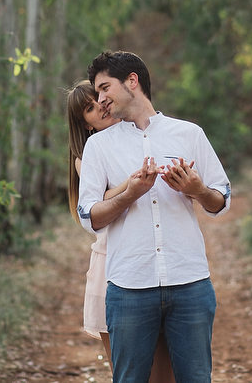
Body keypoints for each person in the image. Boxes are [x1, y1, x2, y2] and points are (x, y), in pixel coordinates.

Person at [77, 51, 232, 383]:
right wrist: (131, 193)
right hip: (129, 287)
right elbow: (89, 216)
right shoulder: (99, 147)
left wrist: (197, 189)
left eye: (105, 88)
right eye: (97, 92)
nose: (100, 98)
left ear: (132, 81)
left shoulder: (188, 134)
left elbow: (219, 199)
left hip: (190, 282)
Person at [67, 80, 174, 382]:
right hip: (110, 263)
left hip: (152, 260)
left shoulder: (141, 137)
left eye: (99, 99)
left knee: (166, 371)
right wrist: (133, 183)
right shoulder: (86, 156)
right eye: (89, 108)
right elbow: (98, 202)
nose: (99, 107)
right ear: (85, 124)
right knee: (130, 373)